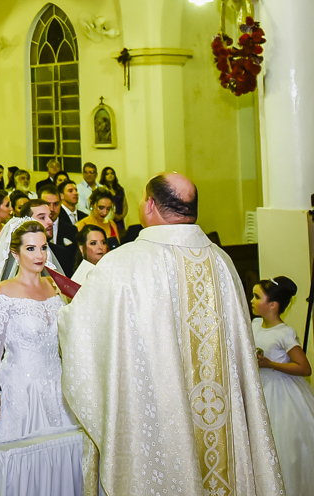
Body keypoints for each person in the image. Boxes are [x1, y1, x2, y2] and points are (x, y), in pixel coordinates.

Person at [58, 173, 283, 495]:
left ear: (150, 204)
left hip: (159, 413)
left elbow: (82, 330)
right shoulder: (222, 262)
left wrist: (61, 312)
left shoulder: (123, 263)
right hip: (219, 412)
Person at [0, 217, 81, 495]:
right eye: (31, 248)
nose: (40, 255)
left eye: (43, 247)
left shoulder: (54, 288)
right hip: (21, 393)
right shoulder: (4, 293)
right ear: (15, 253)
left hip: (57, 388)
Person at [252, 276, 314, 495]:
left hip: (282, 394)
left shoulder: (284, 333)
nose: (251, 300)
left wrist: (271, 364)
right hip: (260, 389)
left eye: (257, 296)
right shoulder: (254, 325)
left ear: (272, 305)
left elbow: (304, 368)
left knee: (282, 446)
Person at [99, 166, 128, 234]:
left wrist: (122, 216)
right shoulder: (102, 189)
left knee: (121, 236)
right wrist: (113, 215)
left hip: (120, 219)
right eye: (107, 174)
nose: (110, 175)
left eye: (112, 173)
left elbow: (125, 204)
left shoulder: (119, 189)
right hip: (108, 219)